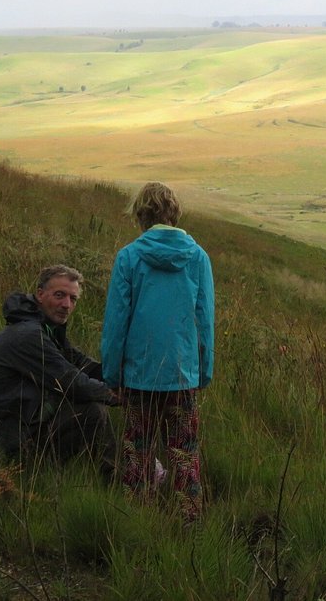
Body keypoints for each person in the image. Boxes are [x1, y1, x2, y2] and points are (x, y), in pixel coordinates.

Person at [100, 182, 214, 521]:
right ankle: (188, 521)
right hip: (182, 374)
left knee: (138, 450)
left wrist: (112, 373)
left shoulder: (130, 256)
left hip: (139, 374)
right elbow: (204, 319)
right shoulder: (197, 257)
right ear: (174, 212)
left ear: (141, 214)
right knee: (184, 451)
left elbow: (117, 321)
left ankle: (135, 519)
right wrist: (203, 371)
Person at [0, 265, 118, 473]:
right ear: (40, 294)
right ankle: (123, 483)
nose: (66, 305)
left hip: (22, 422)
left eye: (72, 299)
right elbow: (72, 382)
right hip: (4, 437)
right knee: (93, 412)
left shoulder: (45, 328)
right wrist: (117, 395)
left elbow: (82, 364)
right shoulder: (29, 335)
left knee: (87, 407)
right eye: (60, 295)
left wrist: (127, 379)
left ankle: (117, 477)